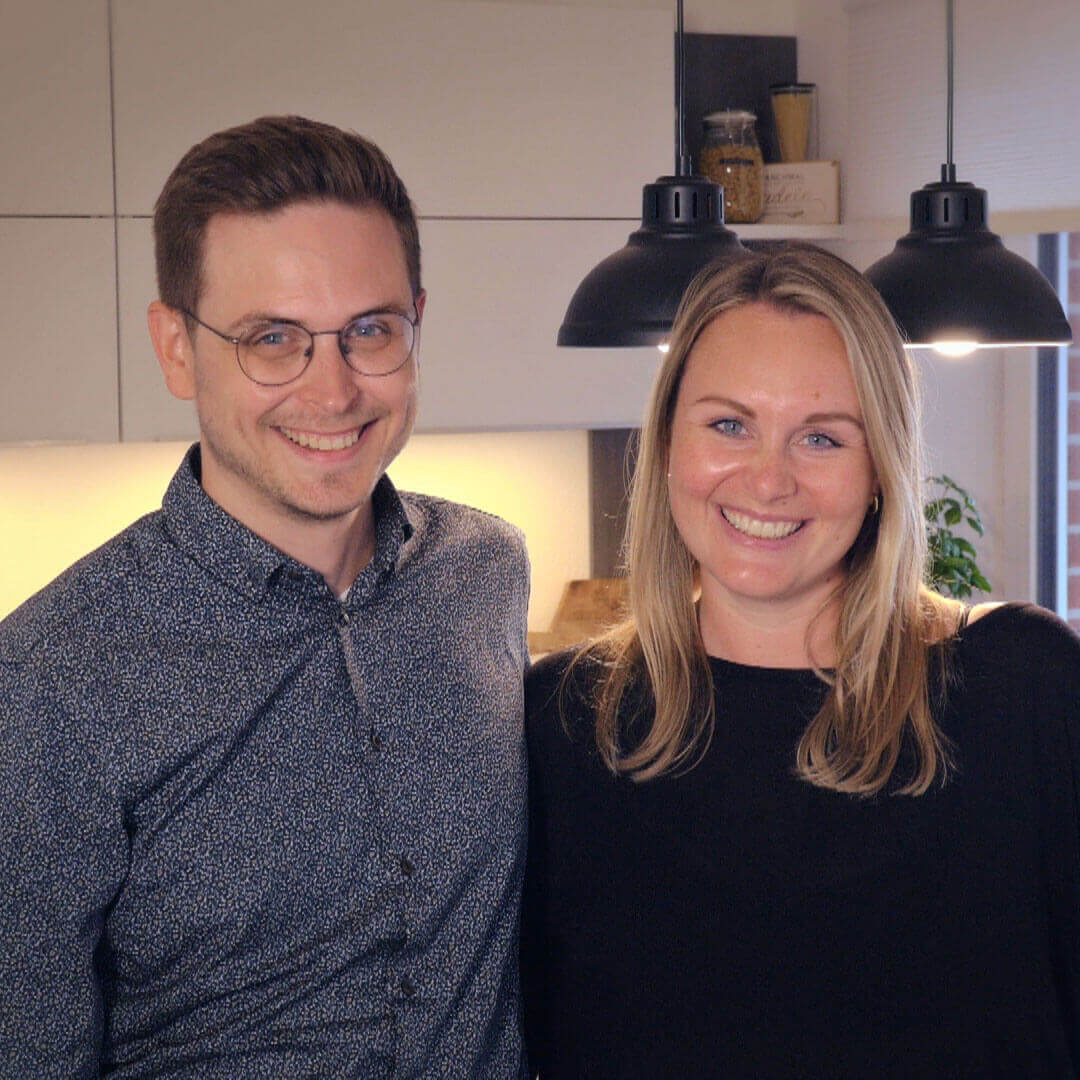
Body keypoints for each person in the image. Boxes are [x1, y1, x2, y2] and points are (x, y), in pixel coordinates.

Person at [0, 116, 530, 1077]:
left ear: (417, 323)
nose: (332, 393)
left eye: (370, 331)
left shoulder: (486, 572)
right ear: (175, 347)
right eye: (271, 339)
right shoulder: (47, 681)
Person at [521, 244, 1080, 1078]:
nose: (767, 479)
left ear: (880, 470)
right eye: (729, 424)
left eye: (821, 438)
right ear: (669, 442)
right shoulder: (560, 722)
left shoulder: (1023, 686)